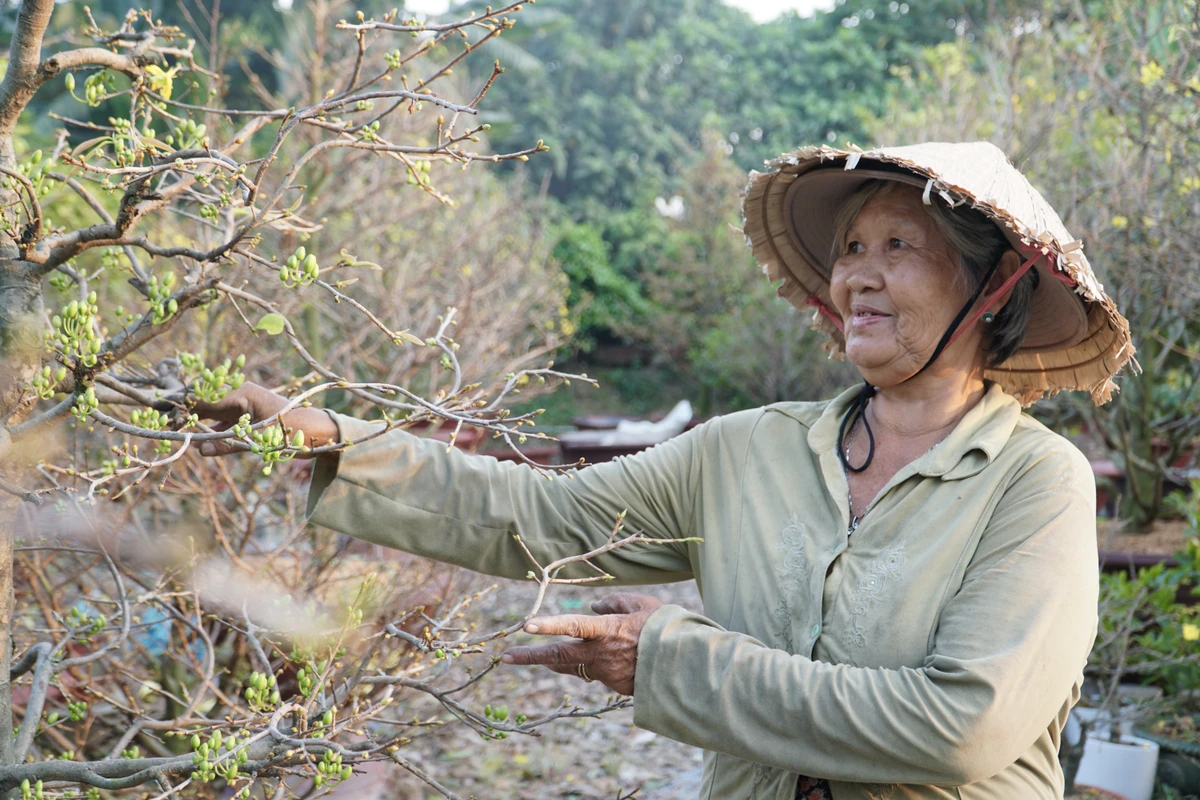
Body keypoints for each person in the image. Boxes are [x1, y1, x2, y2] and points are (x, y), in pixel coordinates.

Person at [198, 142, 1135, 799]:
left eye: (898, 247)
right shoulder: (747, 451)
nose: (858, 274)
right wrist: (331, 439)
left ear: (993, 286)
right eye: (851, 248)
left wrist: (670, 659)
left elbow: (961, 728)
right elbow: (544, 518)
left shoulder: (1036, 484)